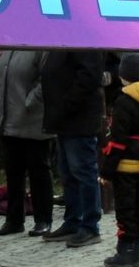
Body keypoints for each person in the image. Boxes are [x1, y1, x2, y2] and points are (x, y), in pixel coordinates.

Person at [99, 53, 139, 267]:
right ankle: (135, 248)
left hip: (124, 163)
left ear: (123, 75)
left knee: (125, 208)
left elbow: (118, 141)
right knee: (138, 206)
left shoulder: (124, 101)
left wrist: (106, 170)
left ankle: (126, 251)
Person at [41, 50, 106, 248]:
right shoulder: (63, 39)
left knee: (83, 172)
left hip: (79, 119)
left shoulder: (84, 40)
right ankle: (72, 221)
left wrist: (67, 103)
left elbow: (90, 76)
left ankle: (90, 225)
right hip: (64, 119)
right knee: (68, 173)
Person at [0, 49, 54, 237]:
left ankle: (43, 219)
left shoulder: (40, 44)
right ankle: (14, 219)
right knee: (13, 172)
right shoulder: (11, 40)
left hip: (33, 119)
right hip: (9, 120)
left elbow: (48, 78)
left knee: (39, 171)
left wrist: (30, 101)